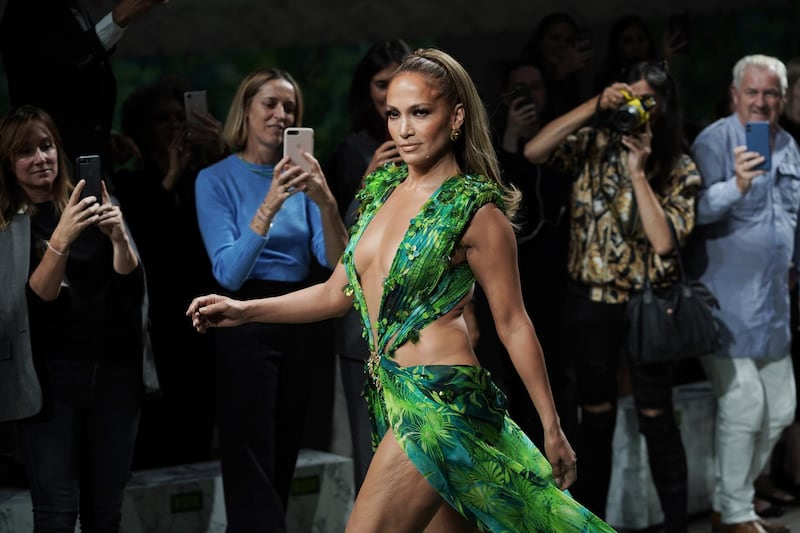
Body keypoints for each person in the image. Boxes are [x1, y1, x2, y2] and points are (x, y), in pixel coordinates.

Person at [188, 47, 614, 532]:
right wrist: (245, 310)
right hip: (391, 397)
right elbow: (336, 293)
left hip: (440, 399)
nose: (404, 129)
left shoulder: (477, 209)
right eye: (394, 114)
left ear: (455, 118)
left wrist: (552, 427)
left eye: (420, 113)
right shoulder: (380, 190)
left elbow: (514, 323)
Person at [523, 60, 700, 531]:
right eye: (630, 98)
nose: (637, 109)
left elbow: (664, 241)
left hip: (648, 306)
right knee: (594, 422)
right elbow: (535, 150)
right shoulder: (591, 145)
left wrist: (638, 172)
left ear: (663, 108)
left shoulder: (678, 164)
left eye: (647, 101)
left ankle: (677, 524)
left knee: (657, 420)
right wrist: (595, 104)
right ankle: (592, 525)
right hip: (590, 303)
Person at [193, 67, 348, 532]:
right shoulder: (215, 179)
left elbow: (334, 261)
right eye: (271, 104)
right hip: (243, 320)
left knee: (284, 451)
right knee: (250, 455)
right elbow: (229, 273)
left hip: (300, 315)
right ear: (246, 109)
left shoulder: (303, 178)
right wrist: (270, 204)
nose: (282, 115)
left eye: (291, 108)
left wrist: (325, 202)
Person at [0, 105, 146, 532]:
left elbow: (133, 289)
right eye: (25, 151)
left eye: (46, 146)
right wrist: (61, 238)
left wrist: (119, 238)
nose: (40, 158)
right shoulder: (8, 224)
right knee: (58, 512)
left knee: (106, 512)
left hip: (114, 371)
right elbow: (35, 304)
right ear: (9, 164)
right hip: (50, 381)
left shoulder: (96, 201)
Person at [688, 54, 800, 533]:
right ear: (735, 95)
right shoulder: (714, 141)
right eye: (752, 92)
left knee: (782, 408)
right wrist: (736, 185)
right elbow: (694, 212)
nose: (762, 102)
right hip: (725, 306)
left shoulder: (790, 145)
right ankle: (735, 514)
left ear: (783, 98)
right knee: (744, 405)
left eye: (771, 93)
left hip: (774, 304)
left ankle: (728, 503)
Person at [113, 76, 223, 468]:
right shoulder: (129, 184)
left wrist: (217, 149)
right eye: (164, 119)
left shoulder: (207, 179)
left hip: (203, 313)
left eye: (182, 117)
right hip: (156, 317)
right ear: (143, 129)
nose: (175, 126)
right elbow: (144, 240)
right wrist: (171, 176)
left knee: (200, 412)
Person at [324, 38, 409, 490]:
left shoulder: (430, 148)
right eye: (381, 84)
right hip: (365, 330)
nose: (390, 94)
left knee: (423, 459)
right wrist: (367, 185)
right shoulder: (351, 152)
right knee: (372, 455)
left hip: (422, 325)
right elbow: (336, 249)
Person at [477, 57, 574, 446]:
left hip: (556, 282)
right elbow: (507, 202)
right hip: (515, 279)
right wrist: (512, 138)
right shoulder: (493, 153)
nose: (528, 97)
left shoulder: (562, 146)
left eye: (534, 87)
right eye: (518, 89)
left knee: (559, 381)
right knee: (513, 384)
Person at [0, 0, 168, 175]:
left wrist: (102, 137)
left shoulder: (75, 8)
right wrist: (118, 19)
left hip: (89, 163)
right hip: (55, 171)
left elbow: (75, 88)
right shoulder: (24, 10)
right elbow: (56, 72)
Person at [521, 12, 594, 123]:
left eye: (568, 41)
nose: (562, 45)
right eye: (555, 38)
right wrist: (559, 74)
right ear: (540, 41)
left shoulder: (573, 75)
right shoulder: (525, 72)